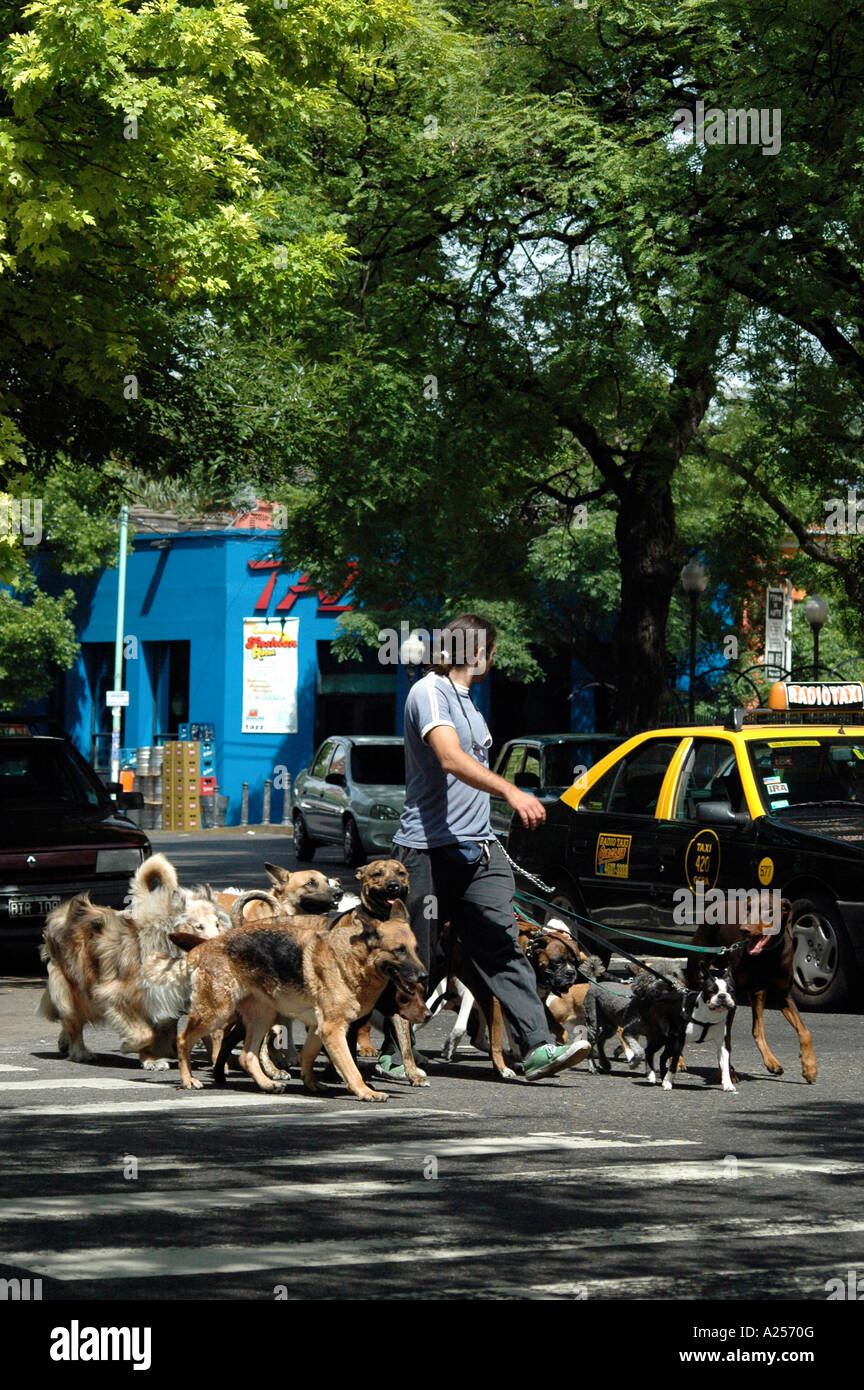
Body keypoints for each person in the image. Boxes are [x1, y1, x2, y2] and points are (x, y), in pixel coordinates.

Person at [376, 613, 590, 1081]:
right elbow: (450, 759)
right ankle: (394, 1050)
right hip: (427, 850)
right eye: (491, 651)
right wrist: (512, 792)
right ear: (480, 652)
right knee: (418, 957)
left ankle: (535, 1048)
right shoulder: (428, 692)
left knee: (502, 944)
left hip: (479, 851)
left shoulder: (470, 704)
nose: (493, 659)